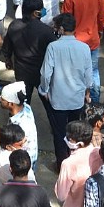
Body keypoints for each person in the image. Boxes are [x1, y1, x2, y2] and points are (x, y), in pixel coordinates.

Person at [39, 13, 92, 166]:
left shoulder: (53, 47)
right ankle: (77, 161)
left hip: (58, 99)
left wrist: (44, 90)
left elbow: (46, 73)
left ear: (61, 29)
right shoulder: (84, 47)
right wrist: (86, 92)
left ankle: (62, 163)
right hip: (77, 98)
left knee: (59, 133)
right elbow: (88, 75)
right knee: (77, 131)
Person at [62, 0, 104, 101]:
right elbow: (102, 16)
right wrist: (100, 30)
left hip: (75, 42)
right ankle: (94, 101)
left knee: (76, 73)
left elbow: (66, 21)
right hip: (93, 39)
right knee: (93, 71)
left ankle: (78, 100)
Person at [2, 0, 58, 100]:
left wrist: (8, 59)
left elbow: (7, 47)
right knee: (48, 103)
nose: (43, 11)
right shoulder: (46, 31)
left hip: (21, 72)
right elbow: (55, 53)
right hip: (41, 72)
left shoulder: (14, 25)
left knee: (23, 102)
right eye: (42, 9)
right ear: (36, 13)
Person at [0, 81, 38, 165]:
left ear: (11, 104)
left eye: (2, 99)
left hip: (23, 162)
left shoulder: (20, 125)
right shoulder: (26, 107)